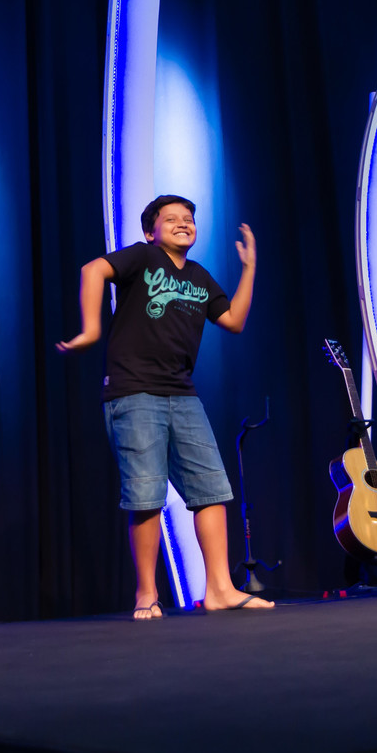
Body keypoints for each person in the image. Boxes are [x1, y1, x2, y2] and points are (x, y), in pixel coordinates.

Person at [57, 195, 274, 619]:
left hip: (183, 393)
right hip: (134, 392)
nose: (182, 223)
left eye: (189, 219)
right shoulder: (143, 257)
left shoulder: (199, 276)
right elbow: (93, 269)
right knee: (145, 494)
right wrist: (91, 330)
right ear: (149, 231)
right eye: (170, 218)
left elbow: (233, 321)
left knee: (212, 490)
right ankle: (146, 593)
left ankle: (220, 589)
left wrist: (248, 269)